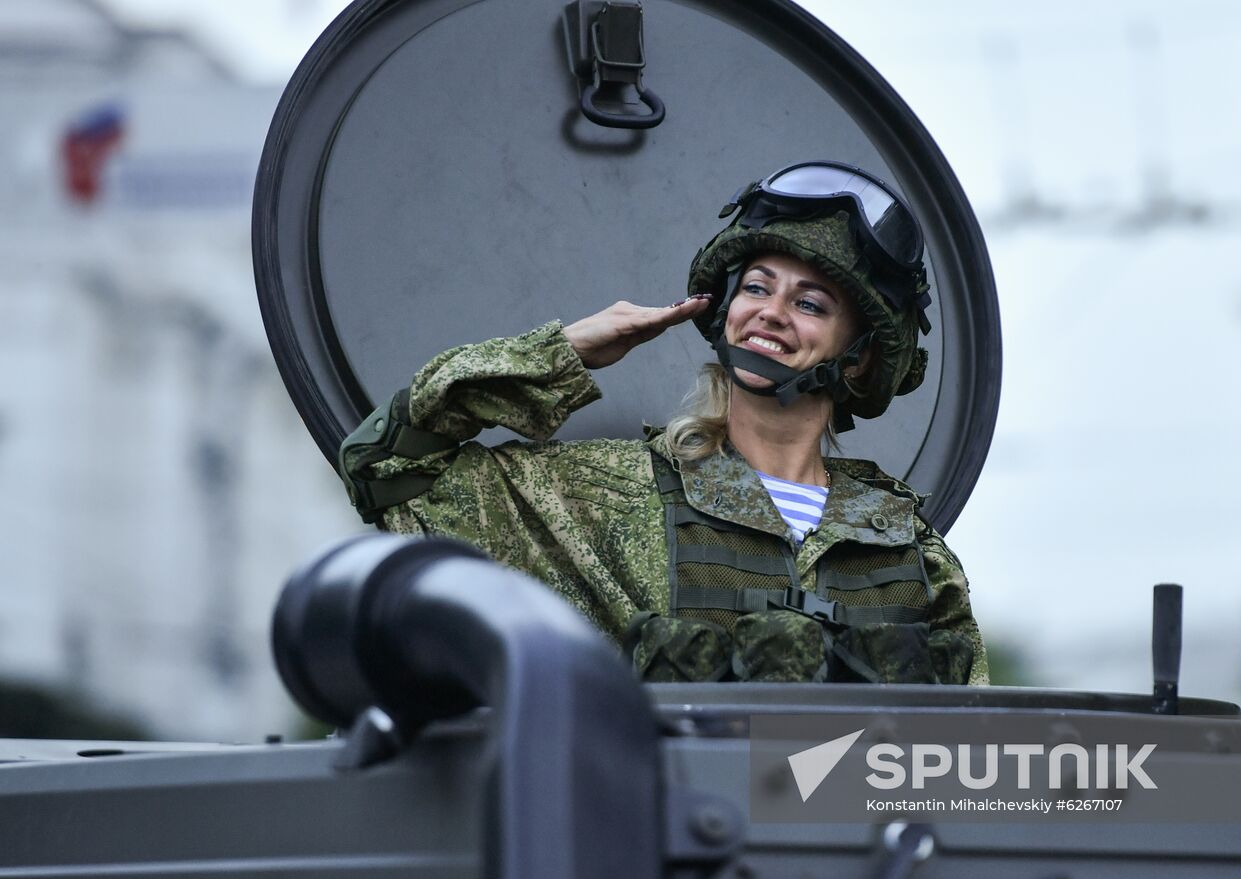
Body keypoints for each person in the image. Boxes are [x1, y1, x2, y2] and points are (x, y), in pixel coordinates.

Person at [339, 160, 988, 685]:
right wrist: (563, 351)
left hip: (866, 849)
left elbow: (968, 765)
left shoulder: (905, 545)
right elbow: (392, 471)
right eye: (757, 287)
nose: (770, 312)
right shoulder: (613, 496)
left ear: (862, 354)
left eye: (810, 302)